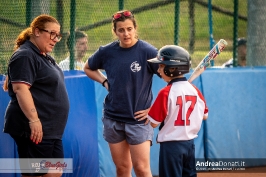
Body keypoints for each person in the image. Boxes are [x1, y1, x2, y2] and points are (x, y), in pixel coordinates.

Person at [84, 10, 159, 177]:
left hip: (138, 120)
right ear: (115, 31)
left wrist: (153, 110)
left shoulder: (148, 51)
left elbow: (169, 80)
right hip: (113, 119)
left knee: (141, 169)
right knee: (122, 168)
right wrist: (104, 81)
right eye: (121, 30)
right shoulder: (106, 52)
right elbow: (88, 68)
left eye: (129, 29)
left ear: (135, 28)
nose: (126, 34)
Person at [2, 14, 70, 177]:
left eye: (58, 35)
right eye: (52, 33)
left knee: (54, 171)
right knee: (39, 173)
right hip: (34, 128)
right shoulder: (26, 54)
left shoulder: (43, 55)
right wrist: (34, 120)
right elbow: (20, 89)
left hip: (50, 129)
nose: (55, 39)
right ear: (37, 31)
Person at [147, 45, 209, 177]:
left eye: (161, 66)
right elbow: (205, 116)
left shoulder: (165, 92)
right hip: (189, 146)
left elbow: (153, 123)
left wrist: (152, 111)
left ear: (172, 69)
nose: (158, 70)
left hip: (171, 147)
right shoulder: (195, 90)